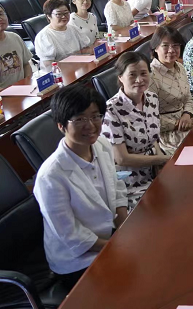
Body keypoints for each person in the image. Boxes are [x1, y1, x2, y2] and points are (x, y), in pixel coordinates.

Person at [33, 85, 127, 289]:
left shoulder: (101, 145)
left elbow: (117, 187)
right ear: (61, 126)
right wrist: (117, 246)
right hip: (77, 259)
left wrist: (126, 228)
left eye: (95, 116)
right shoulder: (51, 176)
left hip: (109, 237)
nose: (90, 125)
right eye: (80, 119)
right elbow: (71, 235)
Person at [101, 52, 170, 210]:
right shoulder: (111, 110)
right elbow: (121, 159)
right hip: (129, 181)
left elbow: (153, 140)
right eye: (132, 75)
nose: (139, 80)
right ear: (120, 77)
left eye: (144, 73)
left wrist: (161, 164)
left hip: (154, 169)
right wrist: (160, 160)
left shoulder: (152, 98)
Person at [149, 26, 193, 156]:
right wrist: (177, 124)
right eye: (165, 46)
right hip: (168, 133)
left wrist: (187, 115)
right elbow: (149, 117)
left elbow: (188, 97)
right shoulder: (150, 76)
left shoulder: (180, 67)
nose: (171, 50)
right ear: (155, 48)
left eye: (176, 45)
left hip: (186, 120)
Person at [35, 0, 91, 66]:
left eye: (66, 13)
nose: (64, 16)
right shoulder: (44, 36)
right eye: (59, 14)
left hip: (79, 67)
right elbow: (48, 65)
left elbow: (85, 49)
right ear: (49, 16)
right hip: (59, 70)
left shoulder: (74, 29)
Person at [0, 7, 32, 89]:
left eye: (1, 14)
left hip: (23, 90)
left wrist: (27, 83)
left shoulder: (14, 37)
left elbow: (26, 65)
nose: (0, 18)